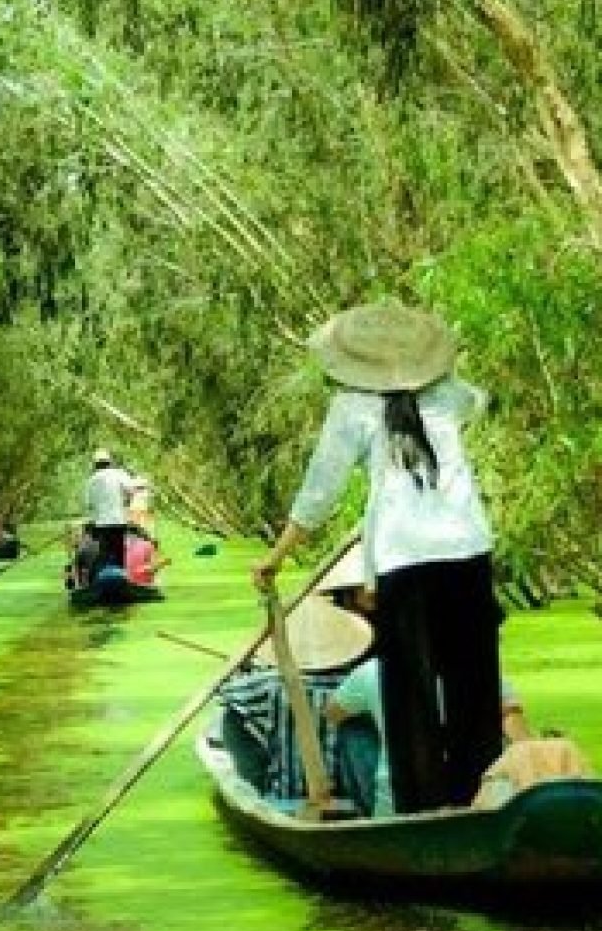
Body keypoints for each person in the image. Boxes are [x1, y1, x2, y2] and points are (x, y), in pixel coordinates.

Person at [253, 301, 502, 813]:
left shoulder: (351, 408)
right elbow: (482, 400)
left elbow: (320, 491)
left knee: (409, 694)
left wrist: (276, 557)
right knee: (474, 686)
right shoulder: (449, 396)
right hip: (468, 549)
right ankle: (479, 800)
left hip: (404, 559)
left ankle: (423, 811)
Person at [326, 658, 531, 817]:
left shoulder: (372, 670)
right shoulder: (483, 669)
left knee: (352, 727)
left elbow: (332, 712)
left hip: (395, 800)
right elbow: (519, 738)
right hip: (481, 800)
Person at [219, 596, 374, 802]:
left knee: (236, 714)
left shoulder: (267, 685)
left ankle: (261, 787)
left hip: (284, 795)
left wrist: (256, 775)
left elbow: (230, 699)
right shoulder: (360, 682)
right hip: (354, 797)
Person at [84, 449, 138, 571]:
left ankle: (105, 578)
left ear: (96, 464)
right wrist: (127, 502)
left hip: (102, 524)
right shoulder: (119, 474)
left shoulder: (92, 480)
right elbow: (131, 490)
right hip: (118, 521)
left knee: (104, 553)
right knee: (119, 552)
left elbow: (89, 504)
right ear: (109, 462)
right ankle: (120, 578)